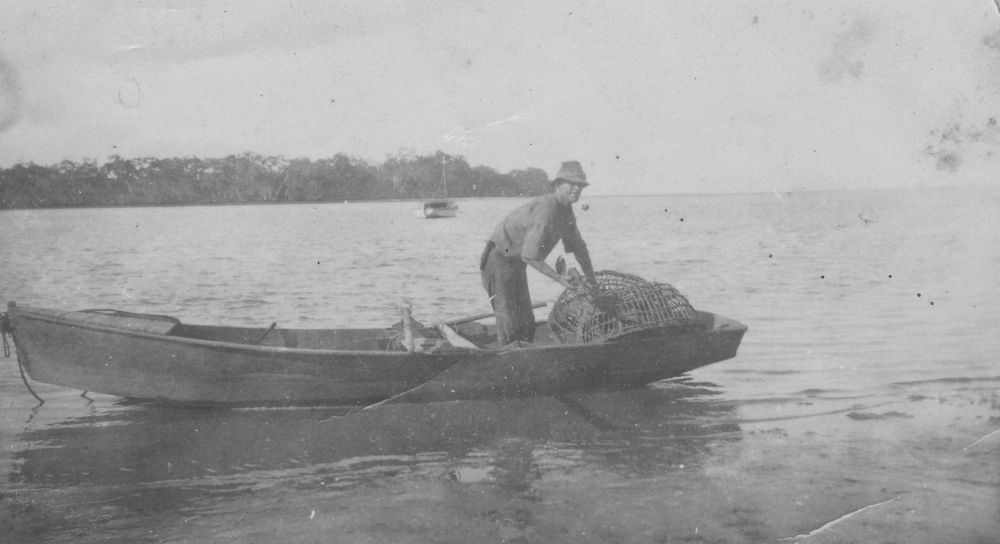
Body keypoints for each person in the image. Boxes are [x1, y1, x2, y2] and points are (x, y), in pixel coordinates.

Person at [480, 160, 597, 346]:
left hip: (517, 263)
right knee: (509, 321)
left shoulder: (566, 212)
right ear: (558, 185)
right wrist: (559, 279)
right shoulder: (546, 210)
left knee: (525, 321)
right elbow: (530, 255)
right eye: (572, 184)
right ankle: (507, 357)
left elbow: (579, 248)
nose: (577, 189)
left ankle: (521, 350)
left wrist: (592, 280)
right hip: (498, 259)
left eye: (580, 185)